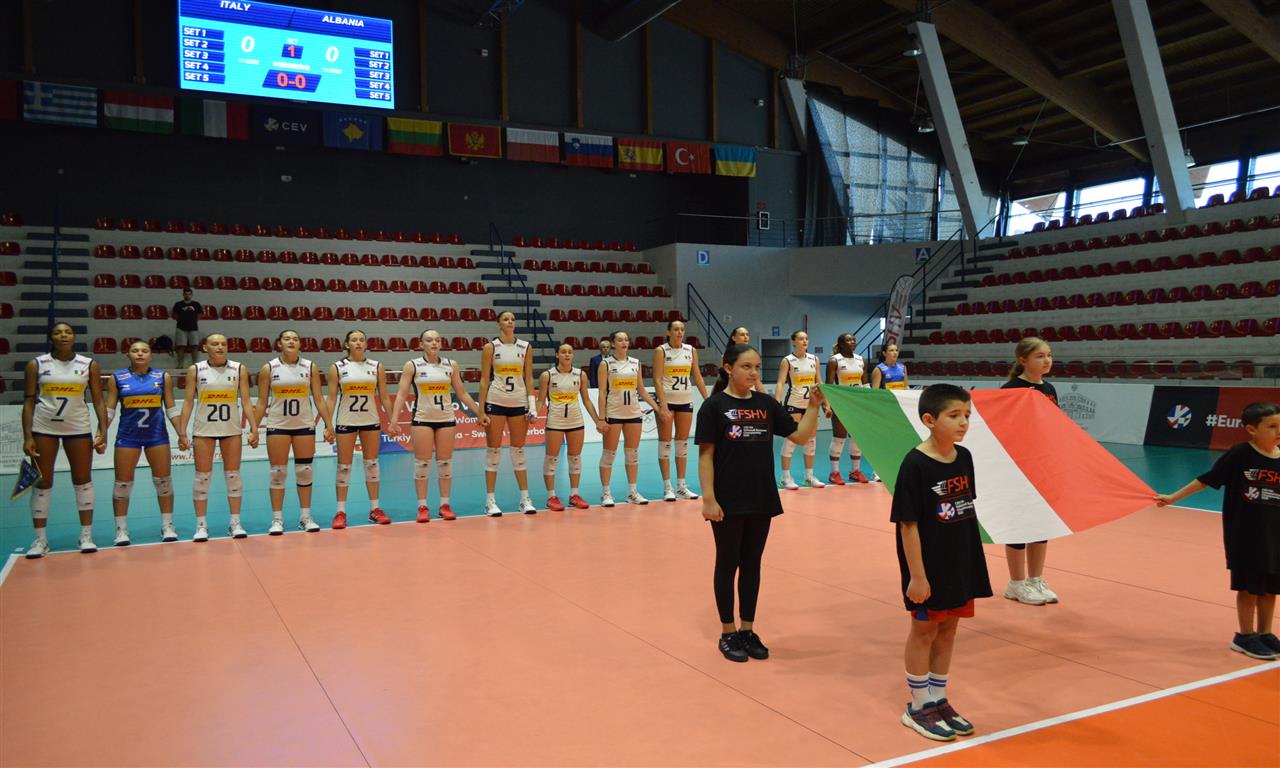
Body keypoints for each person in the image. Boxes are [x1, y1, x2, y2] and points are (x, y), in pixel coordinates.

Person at [696, 343, 823, 662]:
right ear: (728, 368)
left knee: (752, 564)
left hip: (760, 496)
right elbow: (706, 456)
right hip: (727, 500)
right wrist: (709, 499)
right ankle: (728, 632)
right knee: (728, 563)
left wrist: (814, 406)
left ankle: (747, 630)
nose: (753, 373)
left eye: (756, 367)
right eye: (746, 367)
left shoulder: (766, 404)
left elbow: (800, 437)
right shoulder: (713, 407)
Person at [891, 384, 992, 741]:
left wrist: (970, 562)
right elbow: (908, 524)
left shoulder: (964, 457)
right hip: (928, 566)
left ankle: (938, 698)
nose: (963, 422)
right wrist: (917, 576)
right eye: (954, 415)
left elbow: (964, 509)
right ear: (930, 420)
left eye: (967, 415)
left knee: (949, 629)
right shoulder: (915, 464)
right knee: (924, 631)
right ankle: (918, 707)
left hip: (960, 560)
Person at [1155, 401, 1280, 661]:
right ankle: (1245, 636)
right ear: (1252, 429)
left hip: (1275, 536)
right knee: (1248, 588)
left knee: (1270, 588)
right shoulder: (1240, 454)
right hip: (1246, 535)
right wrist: (1173, 497)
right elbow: (1206, 480)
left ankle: (1265, 633)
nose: (1278, 431)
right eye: (1272, 426)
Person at [21, 322, 108, 557]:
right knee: (42, 482)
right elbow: (29, 401)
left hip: (78, 427)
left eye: (68, 332)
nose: (63, 336)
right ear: (51, 337)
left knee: (82, 480)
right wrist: (27, 436)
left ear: (74, 337)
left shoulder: (88, 364)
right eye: (58, 332)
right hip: (44, 428)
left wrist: (103, 430)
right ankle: (40, 540)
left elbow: (98, 400)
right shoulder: (36, 364)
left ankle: (86, 536)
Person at [391, 329, 484, 522]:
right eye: (429, 340)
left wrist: (480, 413)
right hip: (422, 419)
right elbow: (401, 394)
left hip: (446, 419)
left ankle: (444, 505)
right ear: (421, 344)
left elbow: (462, 393)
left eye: (437, 340)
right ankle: (422, 506)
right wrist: (394, 420)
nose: (434, 343)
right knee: (422, 464)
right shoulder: (412, 365)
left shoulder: (451, 365)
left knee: (445, 463)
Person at [178, 333, 258, 541]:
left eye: (223, 344)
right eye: (215, 344)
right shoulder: (196, 370)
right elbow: (188, 402)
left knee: (233, 476)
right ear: (205, 347)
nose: (220, 347)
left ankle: (235, 522)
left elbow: (246, 401)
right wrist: (182, 431)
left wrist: (254, 427)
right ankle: (201, 525)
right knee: (202, 478)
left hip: (231, 429)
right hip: (204, 429)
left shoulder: (238, 369)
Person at [253, 329, 334, 534]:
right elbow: (261, 402)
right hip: (278, 425)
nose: (291, 341)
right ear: (279, 343)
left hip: (304, 425)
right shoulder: (269, 368)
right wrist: (254, 428)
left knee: (304, 471)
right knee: (277, 473)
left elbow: (318, 398)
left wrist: (328, 424)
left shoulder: (310, 367)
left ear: (300, 344)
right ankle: (277, 519)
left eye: (295, 339)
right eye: (287, 338)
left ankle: (305, 517)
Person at [105, 341, 183, 545]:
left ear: (151, 355)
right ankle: (121, 530)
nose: (140, 354)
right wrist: (100, 433)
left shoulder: (162, 377)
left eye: (144, 351)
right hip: (128, 437)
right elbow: (109, 410)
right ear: (128, 355)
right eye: (135, 351)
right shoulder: (117, 378)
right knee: (122, 484)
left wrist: (182, 433)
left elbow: (171, 408)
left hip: (156, 436)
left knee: (163, 482)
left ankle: (168, 525)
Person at [1000, 337, 1059, 606]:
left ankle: (1036, 579)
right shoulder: (1011, 389)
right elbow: (1003, 429)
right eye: (1040, 356)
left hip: (1044, 466)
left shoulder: (1050, 389)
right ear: (1023, 360)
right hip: (1018, 467)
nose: (1047, 360)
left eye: (1049, 355)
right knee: (1019, 525)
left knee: (1041, 523)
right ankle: (1016, 583)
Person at [326, 330, 398, 529]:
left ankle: (375, 509)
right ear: (347, 344)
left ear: (366, 344)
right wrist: (327, 424)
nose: (358, 343)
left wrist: (392, 420)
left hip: (370, 420)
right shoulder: (337, 367)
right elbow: (331, 398)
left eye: (361, 340)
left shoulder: (376, 366)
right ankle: (340, 512)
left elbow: (384, 396)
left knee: (372, 464)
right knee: (344, 466)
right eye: (354, 340)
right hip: (346, 420)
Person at [598, 330, 667, 507]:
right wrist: (601, 418)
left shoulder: (636, 363)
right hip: (614, 413)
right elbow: (602, 392)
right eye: (620, 340)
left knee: (632, 454)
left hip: (634, 413)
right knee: (609, 454)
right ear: (613, 343)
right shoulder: (605, 364)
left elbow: (641, 390)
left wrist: (658, 408)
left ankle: (632, 492)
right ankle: (606, 493)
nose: (624, 343)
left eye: (626, 340)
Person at [478, 311, 538, 516]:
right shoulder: (491, 347)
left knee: (518, 451)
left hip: (519, 402)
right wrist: (481, 410)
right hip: (496, 401)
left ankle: (525, 499)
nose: (510, 322)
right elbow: (484, 380)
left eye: (512, 319)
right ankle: (490, 501)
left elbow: (528, 378)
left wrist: (532, 405)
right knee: (493, 451)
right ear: (498, 324)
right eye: (505, 319)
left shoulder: (526, 347)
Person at [539, 342, 605, 511]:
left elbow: (587, 400)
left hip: (576, 420)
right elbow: (540, 401)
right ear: (557, 355)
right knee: (551, 459)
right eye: (563, 352)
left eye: (570, 352)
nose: (567, 354)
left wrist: (598, 420)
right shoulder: (547, 375)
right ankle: (551, 497)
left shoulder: (580, 374)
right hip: (555, 421)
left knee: (575, 458)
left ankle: (574, 495)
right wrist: (531, 415)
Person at [654, 320, 709, 501]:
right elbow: (657, 379)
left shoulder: (691, 350)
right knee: (665, 443)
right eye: (676, 329)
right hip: (667, 401)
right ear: (668, 332)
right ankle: (667, 487)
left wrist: (707, 399)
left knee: (682, 443)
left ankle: (681, 486)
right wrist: (663, 404)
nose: (679, 332)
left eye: (682, 329)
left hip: (685, 400)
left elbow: (697, 376)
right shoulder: (661, 351)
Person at [774, 330, 824, 490]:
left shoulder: (814, 359)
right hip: (794, 404)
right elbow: (780, 382)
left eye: (806, 338)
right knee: (791, 440)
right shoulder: (787, 361)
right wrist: (776, 402)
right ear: (793, 342)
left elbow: (819, 381)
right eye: (801, 338)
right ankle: (785, 477)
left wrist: (826, 403)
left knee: (811, 440)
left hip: (811, 405)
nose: (805, 341)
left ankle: (809, 476)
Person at [824, 333, 871, 485]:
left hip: (857, 404)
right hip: (841, 404)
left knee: (857, 438)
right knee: (839, 438)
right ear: (841, 344)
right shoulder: (834, 361)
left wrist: (869, 402)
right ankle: (834, 473)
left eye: (853, 340)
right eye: (848, 340)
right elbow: (829, 386)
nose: (852, 342)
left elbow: (865, 383)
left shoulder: (861, 360)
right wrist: (828, 405)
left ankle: (855, 471)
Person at [729, 327, 767, 393]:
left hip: (750, 391)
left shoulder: (752, 355)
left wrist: (765, 396)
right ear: (734, 338)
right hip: (734, 392)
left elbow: (757, 380)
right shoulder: (727, 356)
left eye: (747, 334)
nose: (745, 337)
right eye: (742, 335)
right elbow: (724, 378)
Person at [172, 288, 202, 371]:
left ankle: (195, 364)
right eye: (186, 294)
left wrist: (194, 321)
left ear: (191, 295)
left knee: (194, 346)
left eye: (189, 294)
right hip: (181, 327)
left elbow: (200, 314)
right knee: (181, 346)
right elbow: (174, 315)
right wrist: (181, 320)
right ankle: (180, 364)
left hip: (193, 328)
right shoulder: (178, 304)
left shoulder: (196, 304)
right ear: (183, 294)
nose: (187, 295)